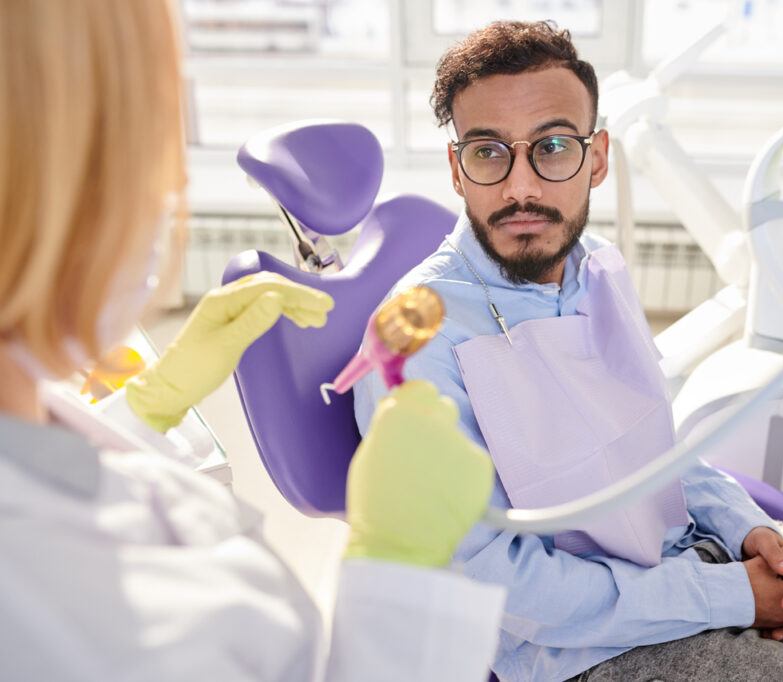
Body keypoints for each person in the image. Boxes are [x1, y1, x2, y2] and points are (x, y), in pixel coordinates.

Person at [354, 20, 783, 682]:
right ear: (457, 170)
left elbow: (656, 451)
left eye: (552, 147)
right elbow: (493, 582)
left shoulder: (599, 269)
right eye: (489, 152)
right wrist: (728, 596)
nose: (521, 187)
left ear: (598, 157)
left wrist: (753, 535)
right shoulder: (416, 343)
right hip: (586, 650)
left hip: (694, 560)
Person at [0, 2, 504, 680]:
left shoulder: (41, 459)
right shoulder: (61, 614)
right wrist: (401, 576)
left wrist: (145, 410)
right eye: (142, 138)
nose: (174, 184)